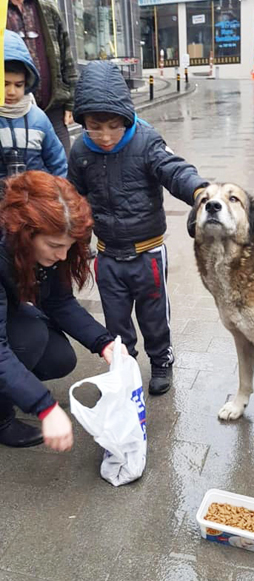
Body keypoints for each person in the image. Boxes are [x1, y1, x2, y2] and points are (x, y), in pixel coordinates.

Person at [68, 61, 208, 396]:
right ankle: (125, 367)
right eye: (94, 127)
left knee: (154, 315)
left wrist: (199, 191)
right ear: (83, 121)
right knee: (116, 321)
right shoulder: (80, 150)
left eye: (113, 126)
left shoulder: (146, 141)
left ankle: (161, 360)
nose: (104, 136)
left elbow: (173, 170)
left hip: (148, 254)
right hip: (108, 256)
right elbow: (73, 196)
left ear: (126, 118)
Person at [0, 170, 127, 452]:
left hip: (7, 309)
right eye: (54, 246)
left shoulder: (48, 250)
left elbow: (59, 301)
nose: (61, 256)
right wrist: (44, 406)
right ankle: (2, 418)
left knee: (59, 358)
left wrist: (103, 342)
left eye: (68, 248)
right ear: (24, 234)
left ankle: (12, 388)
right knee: (28, 337)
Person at [7, 0, 77, 155]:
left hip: (53, 109)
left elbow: (66, 56)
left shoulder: (47, 7)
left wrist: (71, 102)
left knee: (62, 168)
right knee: (19, 173)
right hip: (10, 112)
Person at [0, 30, 67, 181]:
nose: (11, 91)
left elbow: (57, 161)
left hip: (37, 199)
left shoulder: (38, 118)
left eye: (18, 85)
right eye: (5, 84)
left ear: (27, 83)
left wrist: (58, 194)